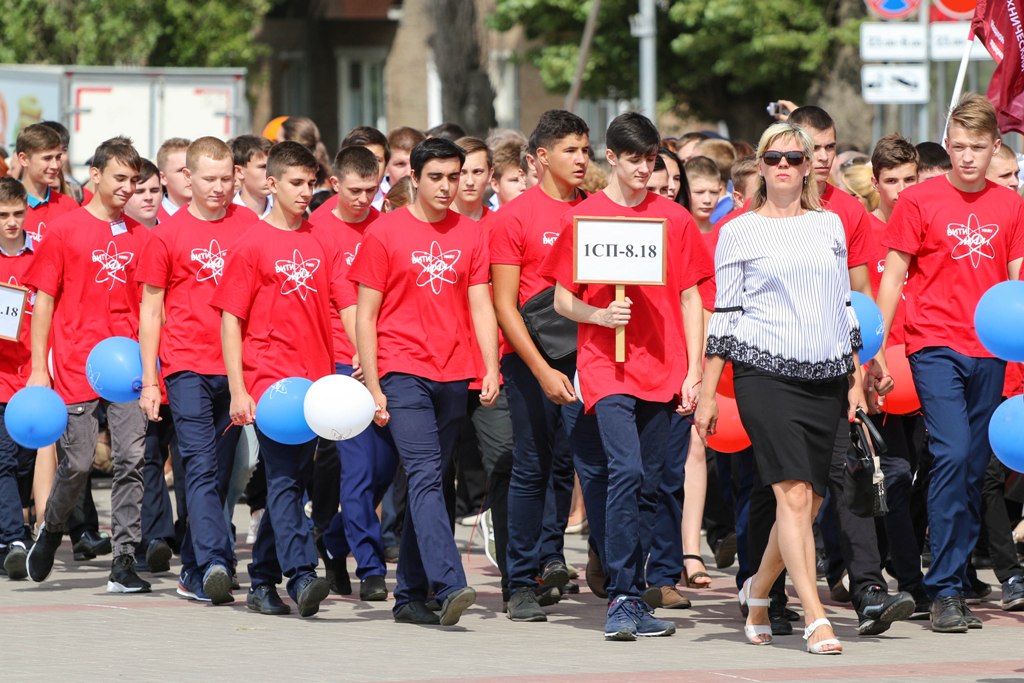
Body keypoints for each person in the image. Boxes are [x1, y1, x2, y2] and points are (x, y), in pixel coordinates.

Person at [695, 122, 865, 654]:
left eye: (795, 157)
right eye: (774, 158)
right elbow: (725, 314)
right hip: (764, 374)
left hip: (827, 374)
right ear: (761, 166)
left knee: (809, 502)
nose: (785, 166)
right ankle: (815, 615)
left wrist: (856, 376)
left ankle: (760, 591)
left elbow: (844, 304)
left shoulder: (830, 224)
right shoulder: (738, 230)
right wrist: (706, 391)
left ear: (810, 163)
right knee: (790, 494)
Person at [540, 111, 710, 640]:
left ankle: (633, 594)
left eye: (651, 158)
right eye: (633, 158)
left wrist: (695, 369)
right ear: (610, 158)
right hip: (605, 366)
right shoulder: (585, 219)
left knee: (651, 484)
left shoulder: (673, 219)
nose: (644, 168)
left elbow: (691, 297)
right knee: (625, 471)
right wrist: (597, 316)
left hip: (664, 366)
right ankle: (621, 596)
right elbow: (563, 297)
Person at [876, 94, 1024, 633]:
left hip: (991, 350)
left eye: (977, 148)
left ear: (994, 148)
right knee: (951, 451)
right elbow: (892, 276)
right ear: (947, 143)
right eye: (957, 147)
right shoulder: (919, 201)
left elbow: (1017, 280)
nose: (966, 157)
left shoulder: (1010, 205)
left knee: (969, 469)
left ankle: (952, 580)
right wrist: (873, 351)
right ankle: (941, 589)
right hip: (933, 344)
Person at [349, 137, 497, 627]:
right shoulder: (384, 233)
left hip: (455, 373)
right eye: (436, 177)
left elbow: (480, 303)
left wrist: (490, 365)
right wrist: (373, 384)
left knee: (434, 480)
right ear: (413, 177)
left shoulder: (472, 233)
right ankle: (450, 581)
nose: (447, 187)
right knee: (426, 473)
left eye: (454, 177)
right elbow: (366, 316)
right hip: (401, 368)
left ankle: (410, 596)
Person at [211, 141, 339, 618]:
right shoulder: (250, 244)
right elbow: (230, 320)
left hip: (316, 382)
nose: (306, 192)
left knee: (293, 477)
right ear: (272, 183)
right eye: (296, 183)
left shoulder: (319, 239)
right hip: (270, 381)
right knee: (285, 476)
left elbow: (343, 305)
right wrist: (239, 387)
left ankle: (262, 582)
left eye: (311, 183)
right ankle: (303, 572)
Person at [490, 110, 604, 622]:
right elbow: (505, 305)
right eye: (570, 150)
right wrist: (540, 370)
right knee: (532, 466)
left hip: (591, 354)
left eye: (585, 149)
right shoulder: (514, 218)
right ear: (541, 157)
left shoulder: (599, 212)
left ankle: (558, 559)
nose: (582, 159)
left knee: (581, 465)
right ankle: (519, 582)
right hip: (531, 358)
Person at [24, 137, 151, 593]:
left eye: (134, 181)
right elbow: (43, 301)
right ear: (95, 175)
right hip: (77, 362)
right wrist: (41, 366)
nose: (127, 188)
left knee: (131, 458)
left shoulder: (142, 236)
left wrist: (152, 372)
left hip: (128, 367)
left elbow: (151, 308)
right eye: (119, 178)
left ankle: (124, 558)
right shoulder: (64, 230)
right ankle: (52, 527)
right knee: (77, 461)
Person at [136, 136, 256, 604]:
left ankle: (193, 569)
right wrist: (151, 379)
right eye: (210, 179)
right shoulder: (166, 234)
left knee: (221, 472)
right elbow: (151, 311)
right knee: (200, 466)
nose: (219, 188)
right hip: (185, 364)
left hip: (237, 370)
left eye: (227, 179)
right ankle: (216, 562)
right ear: (188, 177)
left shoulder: (249, 226)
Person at [310, 145, 397, 602]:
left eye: (373, 189)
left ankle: (334, 537)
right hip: (344, 365)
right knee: (359, 470)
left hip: (390, 362)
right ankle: (370, 564)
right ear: (335, 184)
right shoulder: (318, 228)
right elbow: (343, 302)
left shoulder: (386, 224)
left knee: (387, 466)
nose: (365, 199)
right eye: (355, 190)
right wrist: (362, 354)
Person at [0, 177, 32, 580]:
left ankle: (11, 533)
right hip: (0, 377)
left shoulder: (39, 256)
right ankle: (15, 538)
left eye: (18, 214)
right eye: (3, 215)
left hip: (33, 378)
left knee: (25, 463)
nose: (11, 222)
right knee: (4, 460)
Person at [15, 124, 78, 244]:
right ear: (24, 159)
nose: (55, 166)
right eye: (47, 158)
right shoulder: (5, 204)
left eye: (58, 157)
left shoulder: (70, 207)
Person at [231, 135, 274, 218]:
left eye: (273, 166)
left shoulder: (285, 218)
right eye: (263, 167)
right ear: (239, 172)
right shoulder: (225, 215)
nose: (271, 173)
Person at [124, 160, 163, 228]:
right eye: (139, 191)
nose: (149, 197)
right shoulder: (108, 236)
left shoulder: (174, 234)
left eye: (154, 191)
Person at [489, 140, 527, 209]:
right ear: (495, 184)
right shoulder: (485, 219)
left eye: (526, 180)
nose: (523, 187)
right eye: (515, 180)